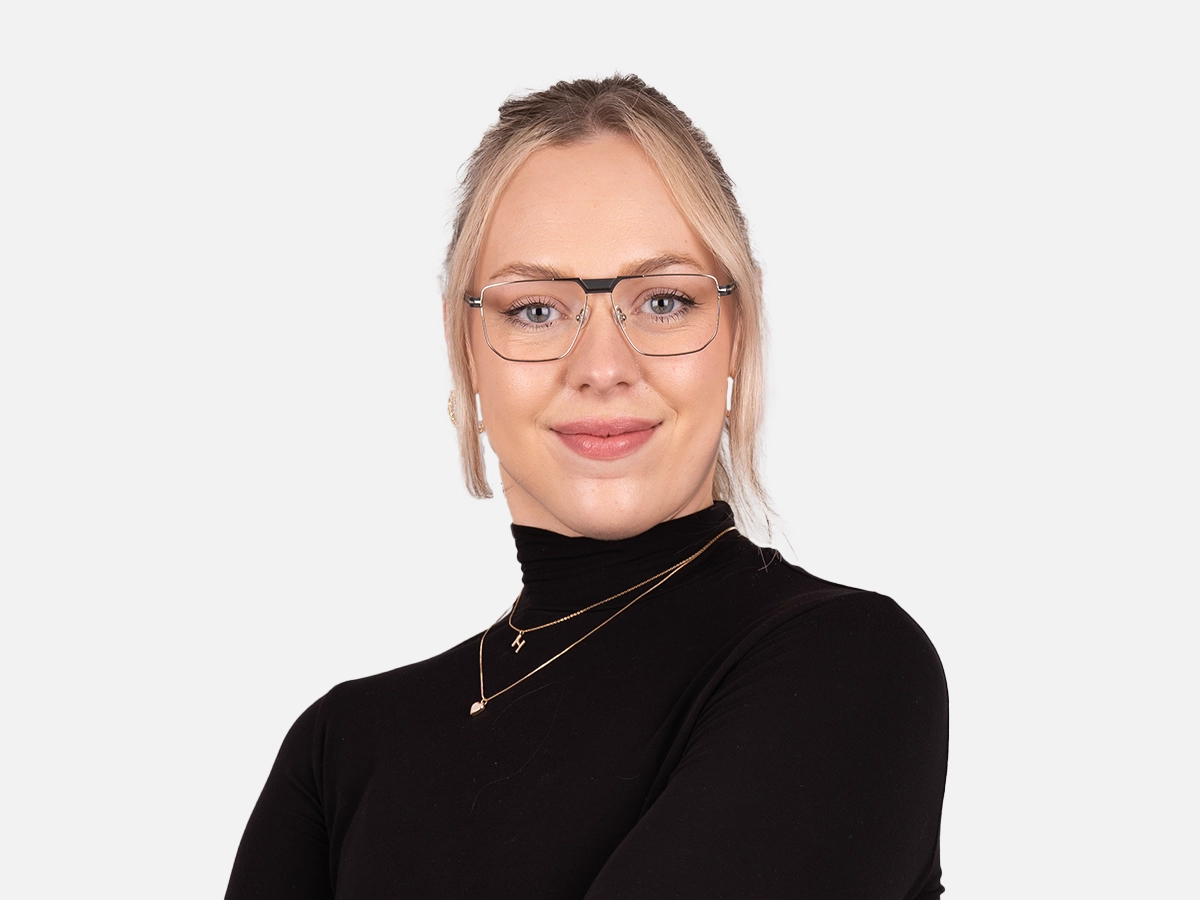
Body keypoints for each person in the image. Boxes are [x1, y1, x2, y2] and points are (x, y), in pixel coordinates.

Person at [225, 74, 948, 899]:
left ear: (736, 333)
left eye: (664, 301)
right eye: (536, 310)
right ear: (467, 352)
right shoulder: (340, 749)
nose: (603, 367)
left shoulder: (847, 665)